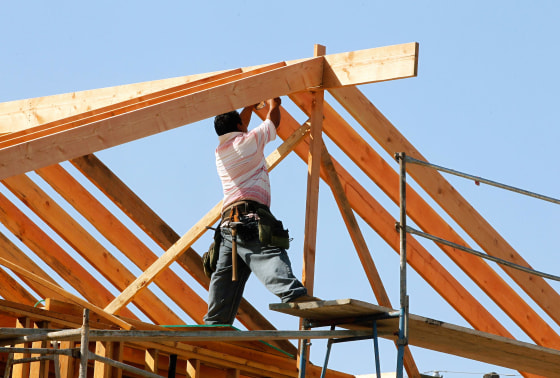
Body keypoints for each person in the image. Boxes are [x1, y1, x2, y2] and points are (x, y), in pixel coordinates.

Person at [204, 97, 313, 325]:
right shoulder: (249, 141)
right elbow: (272, 123)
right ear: (239, 128)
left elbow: (238, 125)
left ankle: (215, 325)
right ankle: (295, 295)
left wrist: (249, 106)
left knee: (223, 282)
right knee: (268, 257)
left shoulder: (220, 151)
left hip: (227, 230)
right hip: (247, 221)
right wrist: (274, 104)